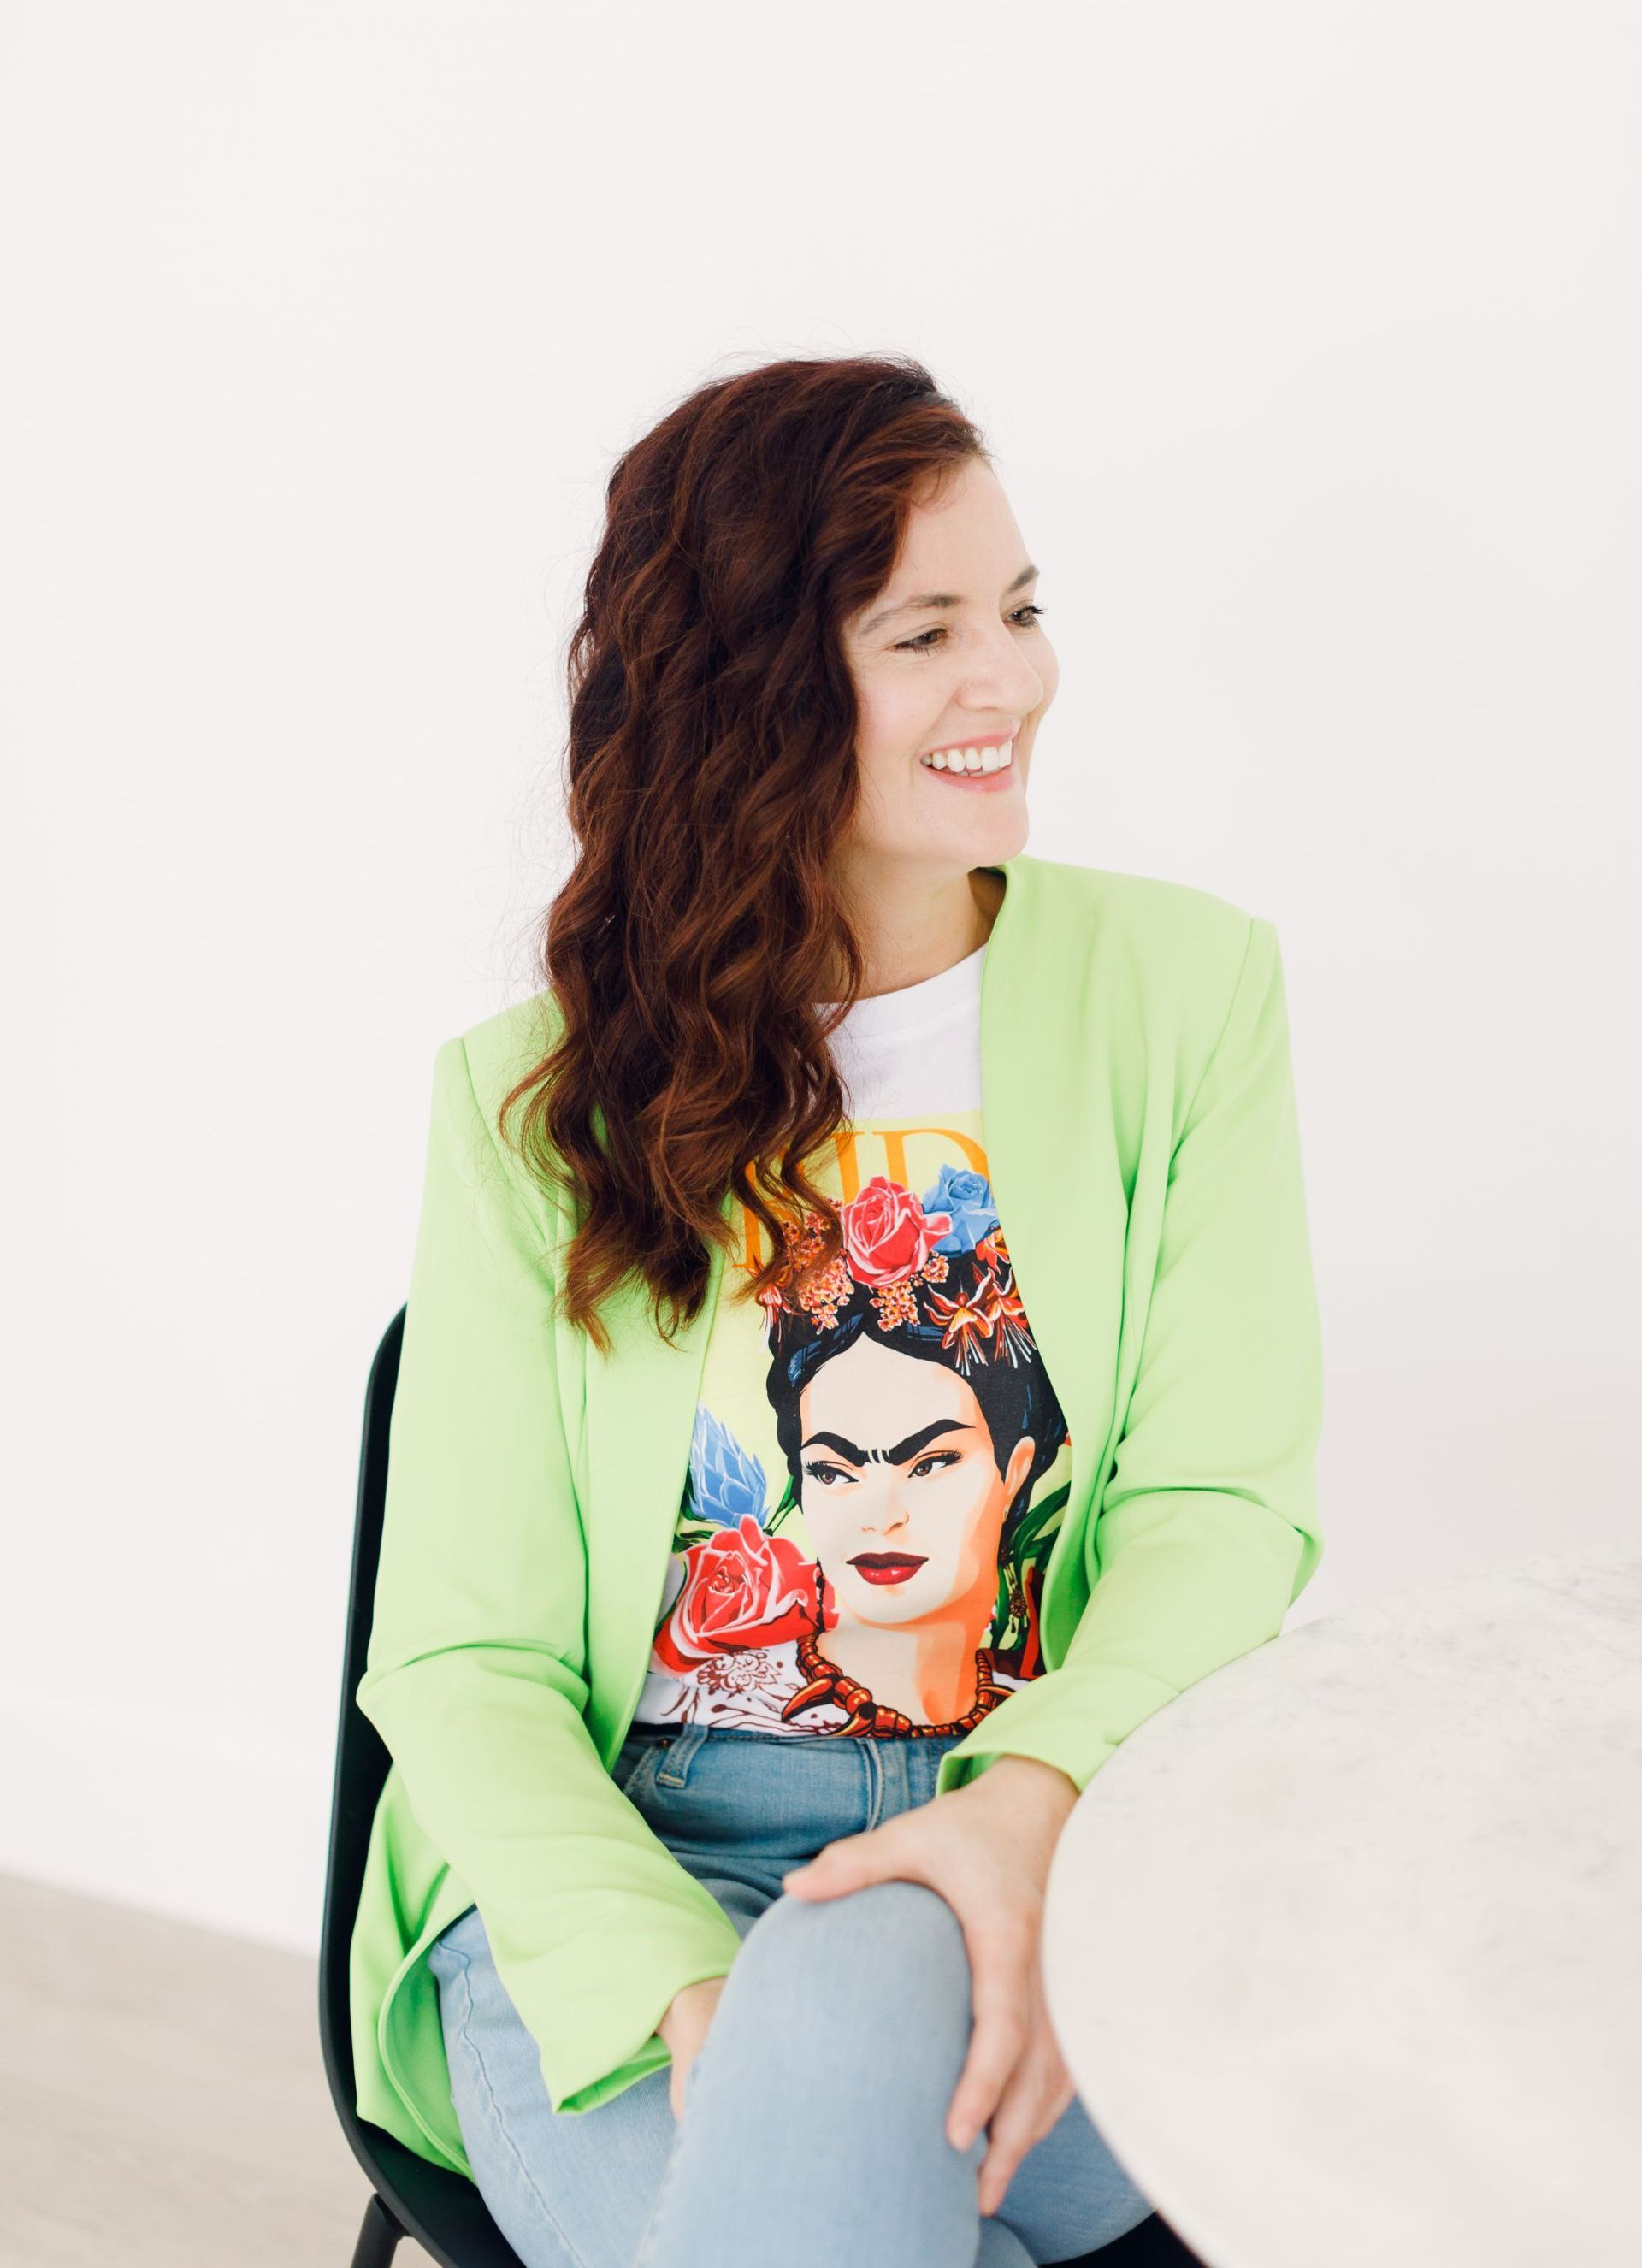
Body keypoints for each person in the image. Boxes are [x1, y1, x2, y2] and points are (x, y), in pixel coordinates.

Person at [347, 352, 1326, 2268]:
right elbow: (458, 1665)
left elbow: (1224, 1513)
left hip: (1042, 1845)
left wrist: (1025, 1808)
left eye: (1024, 612)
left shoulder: (1186, 998)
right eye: (929, 631)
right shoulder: (532, 1100)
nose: (1016, 679)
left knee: (860, 2033)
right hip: (621, 1887)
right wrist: (709, 2004)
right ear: (756, 693)